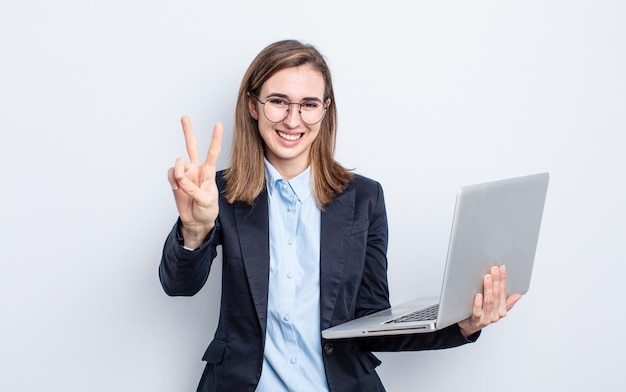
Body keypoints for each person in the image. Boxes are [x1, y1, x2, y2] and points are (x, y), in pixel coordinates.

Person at [159, 39, 521, 392]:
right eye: (278, 102)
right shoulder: (218, 192)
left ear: (325, 109)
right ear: (253, 106)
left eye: (309, 104)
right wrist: (194, 229)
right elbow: (178, 286)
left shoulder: (364, 198)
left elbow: (373, 322)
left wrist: (465, 324)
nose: (292, 119)